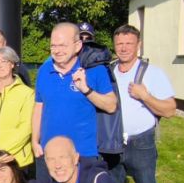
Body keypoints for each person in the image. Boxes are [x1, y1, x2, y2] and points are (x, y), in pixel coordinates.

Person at [109, 25, 176, 183]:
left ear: (139, 45)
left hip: (141, 143)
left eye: (129, 43)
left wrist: (145, 96)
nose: (123, 48)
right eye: (119, 44)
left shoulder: (153, 73)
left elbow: (170, 110)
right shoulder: (109, 71)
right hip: (112, 144)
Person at [31, 22, 118, 161]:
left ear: (77, 46)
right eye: (53, 46)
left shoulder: (95, 70)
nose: (57, 51)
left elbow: (111, 105)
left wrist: (86, 90)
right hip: (48, 152)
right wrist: (35, 141)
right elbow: (39, 107)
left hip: (82, 153)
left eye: (63, 45)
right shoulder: (44, 71)